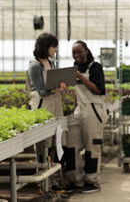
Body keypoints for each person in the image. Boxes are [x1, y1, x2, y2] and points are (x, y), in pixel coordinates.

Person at [65, 40, 108, 194]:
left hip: (93, 109)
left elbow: (98, 90)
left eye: (79, 52)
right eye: (74, 53)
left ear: (87, 51)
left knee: (92, 146)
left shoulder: (95, 67)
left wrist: (80, 76)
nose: (76, 55)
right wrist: (73, 106)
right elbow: (77, 90)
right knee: (71, 146)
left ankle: (92, 181)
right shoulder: (74, 68)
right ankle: (76, 180)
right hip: (79, 110)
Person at [27, 32, 67, 189]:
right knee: (43, 144)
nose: (55, 49)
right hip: (42, 107)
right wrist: (56, 89)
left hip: (55, 106)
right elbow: (41, 91)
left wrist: (61, 85)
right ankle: (43, 181)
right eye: (53, 46)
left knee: (55, 143)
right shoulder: (35, 65)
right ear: (46, 46)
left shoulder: (51, 62)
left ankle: (53, 179)